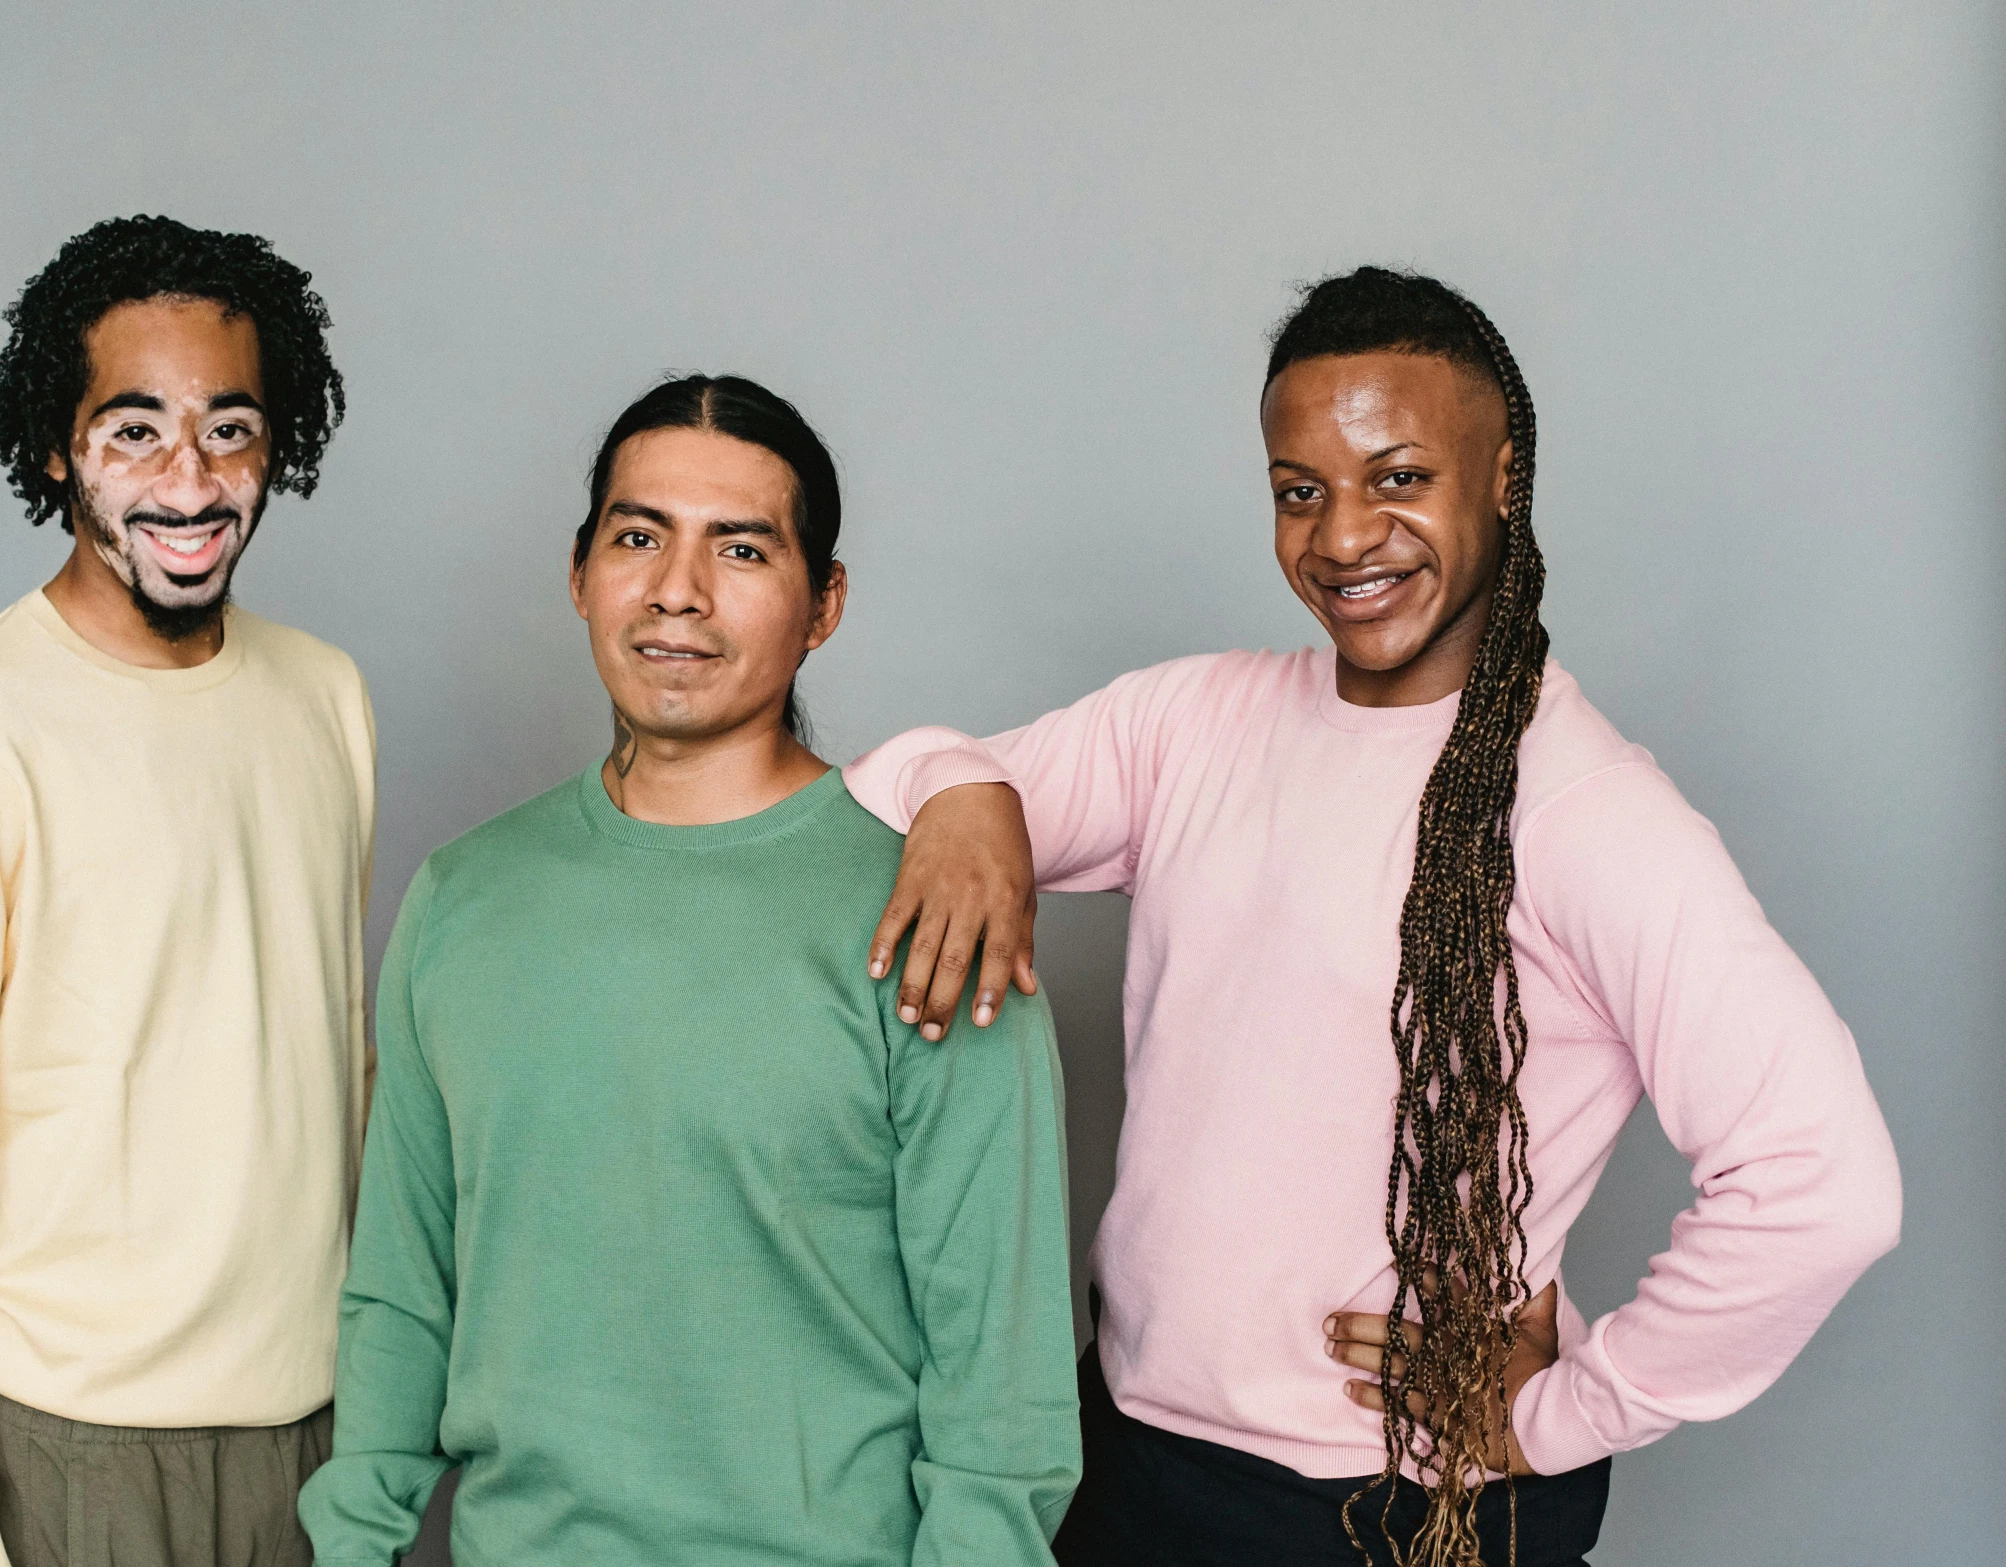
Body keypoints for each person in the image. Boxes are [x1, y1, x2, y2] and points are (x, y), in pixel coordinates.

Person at [846, 268, 1901, 1566]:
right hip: (1126, 1453)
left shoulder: (1587, 811)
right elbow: (886, 794)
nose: (1342, 536)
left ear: (1501, 476)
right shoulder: (1192, 722)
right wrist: (960, 783)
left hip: (1403, 1512)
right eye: (1300, 488)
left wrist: (1576, 1407)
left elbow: (1822, 1180)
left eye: (1396, 477)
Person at [296, 374, 1081, 1566]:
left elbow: (1000, 1393)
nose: (677, 591)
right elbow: (403, 1290)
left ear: (824, 604)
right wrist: (353, 1544)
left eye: (743, 550)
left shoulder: (932, 911)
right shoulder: (462, 898)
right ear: (578, 573)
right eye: (637, 537)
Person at [0, 215, 370, 1567]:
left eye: (230, 428)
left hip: (316, 1436)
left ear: (275, 445)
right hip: (79, 1452)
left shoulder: (326, 698)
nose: (190, 477)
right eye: (134, 430)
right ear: (56, 446)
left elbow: (333, 1084)